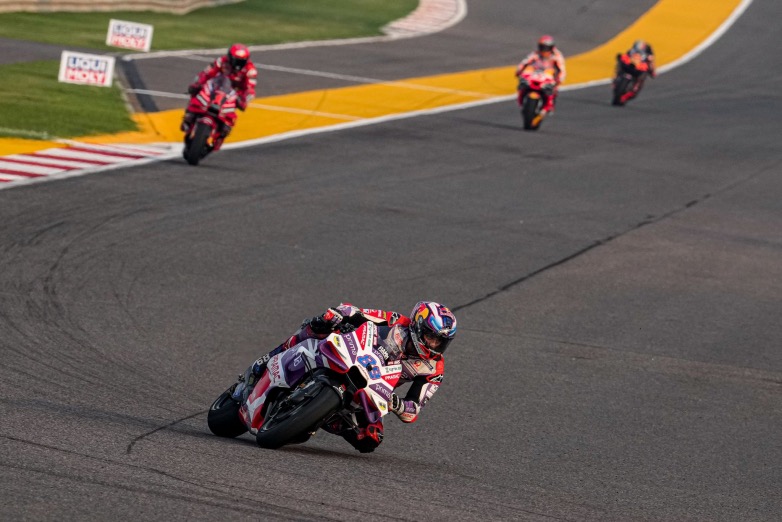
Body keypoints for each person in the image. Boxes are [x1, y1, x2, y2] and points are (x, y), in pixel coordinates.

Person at [233, 301, 457, 453]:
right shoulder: (397, 322)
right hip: (352, 354)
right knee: (318, 327)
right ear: (418, 326)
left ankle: (319, 416)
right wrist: (339, 314)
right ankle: (269, 358)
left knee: (370, 439)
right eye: (431, 337)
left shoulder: (434, 369)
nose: (434, 345)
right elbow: (359, 313)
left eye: (441, 342)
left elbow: (413, 410)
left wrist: (396, 404)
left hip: (373, 389)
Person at [180, 43, 258, 150]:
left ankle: (222, 134)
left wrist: (244, 100)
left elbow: (250, 89)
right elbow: (206, 73)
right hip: (217, 86)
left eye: (241, 61)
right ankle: (189, 117)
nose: (237, 64)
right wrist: (197, 84)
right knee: (196, 93)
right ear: (230, 57)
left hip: (233, 93)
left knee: (230, 116)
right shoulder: (221, 61)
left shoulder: (250, 70)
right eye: (235, 60)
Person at [515, 35, 566, 115]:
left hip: (549, 77)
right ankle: (521, 102)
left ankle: (549, 105)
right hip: (535, 75)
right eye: (542, 47)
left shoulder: (557, 56)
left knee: (553, 89)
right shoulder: (536, 53)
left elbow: (562, 70)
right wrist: (519, 71)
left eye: (546, 48)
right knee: (523, 83)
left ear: (551, 48)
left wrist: (559, 80)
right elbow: (525, 62)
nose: (544, 50)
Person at [615, 40, 657, 104]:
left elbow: (651, 63)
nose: (638, 53)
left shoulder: (648, 55)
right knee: (620, 64)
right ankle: (616, 79)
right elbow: (622, 58)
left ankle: (627, 95)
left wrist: (652, 71)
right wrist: (620, 58)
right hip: (629, 67)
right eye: (636, 50)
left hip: (639, 70)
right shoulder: (630, 51)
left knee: (640, 81)